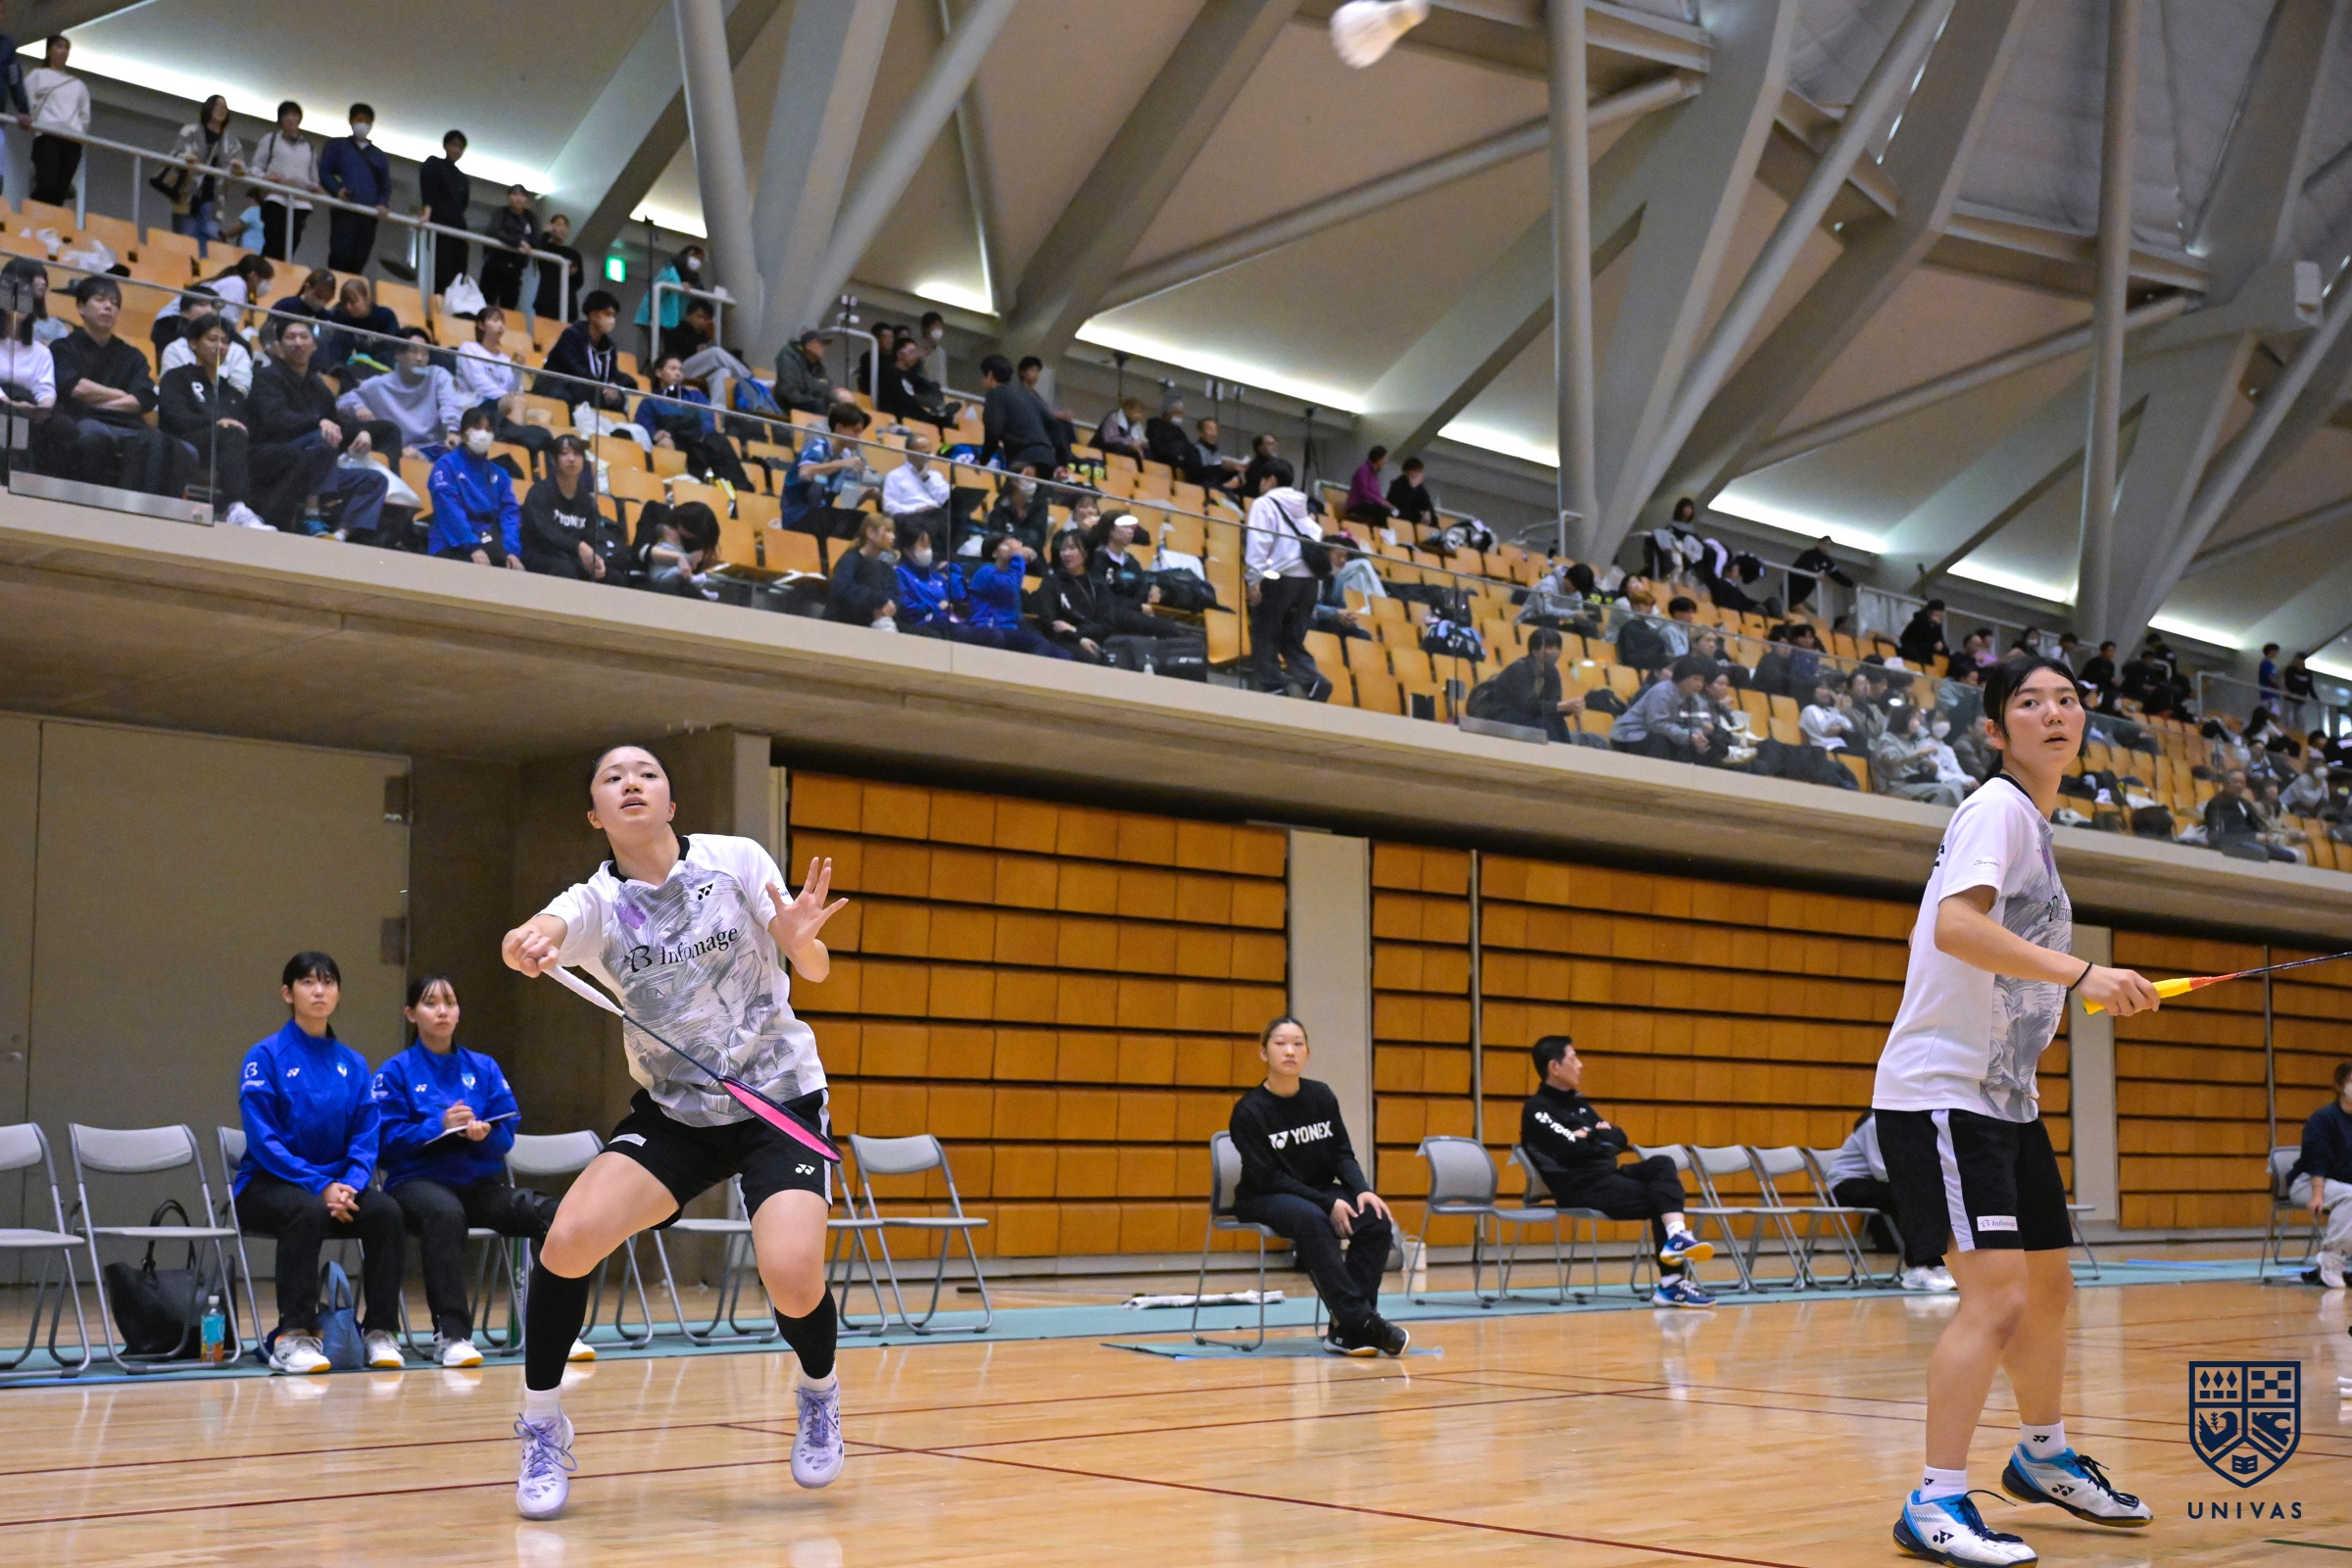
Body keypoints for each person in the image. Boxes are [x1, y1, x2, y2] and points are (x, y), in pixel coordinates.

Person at [499, 746, 852, 1515]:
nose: (631, 782)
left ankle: (819, 1390)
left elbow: (816, 969)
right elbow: (539, 930)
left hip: (777, 1100)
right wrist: (522, 942)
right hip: (678, 1114)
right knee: (567, 1238)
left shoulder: (736, 860)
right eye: (612, 778)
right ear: (595, 815)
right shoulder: (597, 903)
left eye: (647, 774)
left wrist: (799, 940)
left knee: (792, 1278)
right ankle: (542, 1424)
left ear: (671, 803)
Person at [1873, 654, 2159, 1562]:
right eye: (2030, 703)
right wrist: (2086, 974)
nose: (2054, 713)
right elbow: (1956, 926)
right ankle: (1934, 1501)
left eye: (2067, 700)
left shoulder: (2032, 823)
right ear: (1996, 731)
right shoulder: (1995, 808)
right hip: (1943, 1094)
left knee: (2047, 1290)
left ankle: (2041, 1455)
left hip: (2004, 1101)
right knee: (1996, 1300)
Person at [374, 974, 589, 1368]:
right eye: (430, 1003)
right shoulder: (395, 1071)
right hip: (416, 1183)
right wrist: (437, 1126)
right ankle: (453, 1336)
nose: (442, 1011)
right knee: (445, 1213)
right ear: (411, 1014)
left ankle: (556, 1329)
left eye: (450, 1002)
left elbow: (505, 1133)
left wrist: (483, 1136)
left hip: (477, 1183)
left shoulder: (483, 1067)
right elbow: (384, 1143)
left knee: (551, 1213)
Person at [232, 952, 407, 1375]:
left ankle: (380, 1332)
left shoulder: (353, 1063)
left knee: (386, 1211)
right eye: (308, 982)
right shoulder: (265, 1056)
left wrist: (349, 1185)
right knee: (306, 1210)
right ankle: (295, 1336)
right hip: (268, 1186)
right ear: (287, 993)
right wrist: (319, 1186)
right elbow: (264, 1141)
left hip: (337, 1188)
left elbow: (366, 1136)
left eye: (328, 982)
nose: (319, 991)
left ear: (338, 993)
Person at [1228, 1016, 1408, 1356]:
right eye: (1280, 1043)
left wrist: (1361, 1190)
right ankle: (1361, 1321)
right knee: (1312, 1219)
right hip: (1265, 1195)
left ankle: (1346, 1331)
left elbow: (1342, 1154)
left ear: (1307, 1053)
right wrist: (1328, 1204)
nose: (1290, 1051)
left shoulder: (1321, 1096)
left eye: (1298, 1044)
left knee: (1375, 1219)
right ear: (1263, 1053)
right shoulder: (1248, 1111)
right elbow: (1270, 1177)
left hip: (1317, 1191)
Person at [1518, 1034, 1715, 1305]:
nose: (1580, 1065)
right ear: (1555, 1067)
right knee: (1662, 1198)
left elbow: (1619, 1138)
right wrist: (1595, 1136)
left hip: (1607, 1176)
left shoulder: (1578, 1105)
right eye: (1573, 1058)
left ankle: (1676, 1236)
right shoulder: (1538, 1109)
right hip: (1579, 1186)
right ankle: (1672, 1283)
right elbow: (1570, 1149)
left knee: (1661, 1164)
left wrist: (1587, 1135)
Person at [245, 316, 390, 536]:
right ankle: (311, 515)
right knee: (323, 436)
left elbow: (337, 424)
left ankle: (339, 536)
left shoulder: (318, 386)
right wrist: (318, 423)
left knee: (374, 480)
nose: (298, 343)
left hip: (316, 463)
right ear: (280, 345)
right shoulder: (265, 377)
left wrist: (363, 431)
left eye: (304, 337)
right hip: (275, 457)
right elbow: (274, 419)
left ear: (314, 345)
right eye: (290, 337)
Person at [48, 275, 185, 498]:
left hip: (127, 424)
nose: (108, 307)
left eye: (114, 303)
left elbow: (143, 399)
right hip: (81, 418)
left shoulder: (132, 355)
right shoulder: (63, 347)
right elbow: (75, 388)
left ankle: (138, 509)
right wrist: (120, 395)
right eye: (100, 300)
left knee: (168, 446)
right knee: (94, 438)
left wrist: (98, 399)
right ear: (81, 307)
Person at [1822, 1110, 1953, 1291]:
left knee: (1926, 1195)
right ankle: (1917, 1270)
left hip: (1876, 1183)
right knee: (1912, 1198)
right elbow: (1882, 1171)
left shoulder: (1908, 1124)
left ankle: (1937, 1265)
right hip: (1847, 1184)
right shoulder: (1875, 1123)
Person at [158, 313, 265, 528]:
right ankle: (236, 507)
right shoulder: (177, 377)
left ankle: (269, 518)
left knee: (282, 455)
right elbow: (174, 416)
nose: (220, 346)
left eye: (225, 341)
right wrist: (215, 423)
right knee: (231, 434)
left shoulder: (231, 391)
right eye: (212, 339)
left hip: (228, 448)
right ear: (193, 343)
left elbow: (245, 427)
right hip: (186, 442)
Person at [1243, 460, 1331, 700]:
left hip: (1279, 578)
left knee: (1264, 635)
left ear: (1271, 480)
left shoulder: (1264, 504)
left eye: (1262, 480)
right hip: (1309, 584)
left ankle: (1273, 689)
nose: (1260, 485)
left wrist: (1253, 579)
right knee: (1292, 639)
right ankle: (1314, 681)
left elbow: (1259, 541)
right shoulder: (1303, 512)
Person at [1466, 627, 1604, 746]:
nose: (1554, 651)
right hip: (1502, 714)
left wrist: (1570, 708)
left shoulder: (1552, 673)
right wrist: (1562, 706)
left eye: (1557, 647)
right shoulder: (1518, 669)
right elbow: (1527, 705)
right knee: (1544, 726)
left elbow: (1552, 705)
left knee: (1558, 722)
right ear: (1534, 650)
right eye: (1549, 647)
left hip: (1527, 716)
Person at [341, 326, 464, 459]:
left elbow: (449, 403)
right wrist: (358, 406)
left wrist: (453, 430)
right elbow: (344, 401)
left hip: (435, 447)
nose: (420, 358)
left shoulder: (438, 375)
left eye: (425, 353)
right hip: (398, 451)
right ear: (398, 355)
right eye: (413, 351)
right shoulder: (381, 384)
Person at [428, 406, 522, 567]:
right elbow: (449, 510)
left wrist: (511, 551)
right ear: (463, 433)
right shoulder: (446, 466)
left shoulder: (500, 474)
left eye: (488, 429)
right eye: (477, 428)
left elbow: (509, 513)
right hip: (451, 544)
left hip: (489, 542)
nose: (483, 434)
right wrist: (473, 546)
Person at [638, 353, 749, 488]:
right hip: (675, 441)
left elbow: (707, 421)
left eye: (680, 370)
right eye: (673, 369)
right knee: (667, 443)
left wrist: (699, 435)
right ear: (659, 373)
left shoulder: (695, 396)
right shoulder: (650, 401)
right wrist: (656, 434)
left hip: (697, 440)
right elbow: (644, 425)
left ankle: (740, 490)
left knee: (717, 441)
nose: (678, 373)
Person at [520, 433, 620, 580]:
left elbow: (592, 534)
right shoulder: (539, 492)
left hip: (573, 558)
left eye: (577, 454)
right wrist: (578, 546)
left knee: (612, 577)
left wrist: (596, 557)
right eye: (564, 453)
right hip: (541, 554)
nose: (572, 459)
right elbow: (544, 533)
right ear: (554, 460)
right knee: (566, 570)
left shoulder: (586, 501)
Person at [541, 291, 642, 432]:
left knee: (618, 399)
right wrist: (602, 387)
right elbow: (575, 368)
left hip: (591, 392)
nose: (612, 320)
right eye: (608, 314)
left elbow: (613, 373)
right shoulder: (572, 336)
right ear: (593, 315)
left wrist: (613, 384)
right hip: (561, 387)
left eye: (614, 315)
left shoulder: (610, 346)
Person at [454, 308, 549, 458]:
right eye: (495, 320)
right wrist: (506, 396)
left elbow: (514, 389)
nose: (500, 325)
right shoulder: (469, 349)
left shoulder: (504, 359)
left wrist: (517, 370)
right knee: (516, 402)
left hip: (499, 405)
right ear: (481, 325)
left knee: (544, 414)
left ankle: (534, 457)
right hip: (476, 404)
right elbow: (478, 383)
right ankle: (517, 451)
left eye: (502, 322)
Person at [2290, 1062, 2352, 1289]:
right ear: (2339, 1086)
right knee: (2350, 1197)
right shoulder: (2323, 1118)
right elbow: (2317, 1159)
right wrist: (2317, 1194)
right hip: (2309, 1181)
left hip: (2342, 1184)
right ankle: (2331, 1260)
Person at [962, 533, 1071, 660]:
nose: (1013, 547)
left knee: (1061, 653)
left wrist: (1029, 558)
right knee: (1038, 644)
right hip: (989, 627)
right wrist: (1018, 557)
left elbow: (1043, 577)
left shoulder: (1011, 573)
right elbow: (1010, 586)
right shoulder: (985, 571)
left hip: (1011, 629)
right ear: (994, 553)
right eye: (1006, 544)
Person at [782, 402, 876, 537]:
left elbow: (847, 503)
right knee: (832, 520)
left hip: (823, 515)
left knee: (865, 521)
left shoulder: (847, 458)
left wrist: (866, 495)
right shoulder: (818, 445)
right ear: (839, 428)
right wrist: (840, 464)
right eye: (854, 431)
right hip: (797, 516)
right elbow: (804, 472)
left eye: (860, 432)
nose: (858, 438)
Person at [318, 103, 392, 273]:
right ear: (351, 121)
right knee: (340, 255)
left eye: (367, 121)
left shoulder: (379, 155)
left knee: (359, 259)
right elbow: (324, 171)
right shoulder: (337, 146)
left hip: (368, 215)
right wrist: (337, 190)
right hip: (345, 210)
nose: (363, 124)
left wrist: (383, 203)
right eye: (360, 119)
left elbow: (385, 186)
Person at [165, 94, 244, 249]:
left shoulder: (232, 142)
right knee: (185, 244)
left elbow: (239, 171)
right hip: (186, 196)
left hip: (213, 200)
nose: (221, 110)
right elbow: (175, 154)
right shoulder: (191, 131)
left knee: (208, 246)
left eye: (224, 107)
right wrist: (185, 158)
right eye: (217, 105)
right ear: (208, 108)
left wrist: (237, 169)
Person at [250, 100, 321, 263]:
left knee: (291, 246)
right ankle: (265, 272)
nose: (291, 118)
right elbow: (255, 167)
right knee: (273, 243)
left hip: (300, 204)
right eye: (286, 115)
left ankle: (282, 275)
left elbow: (313, 178)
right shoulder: (271, 140)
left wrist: (313, 187)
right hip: (275, 199)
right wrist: (265, 177)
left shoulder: (309, 148)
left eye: (295, 115)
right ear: (280, 119)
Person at [1611, 656, 1718, 763]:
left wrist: (1698, 734)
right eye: (1695, 679)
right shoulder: (1662, 692)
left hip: (1664, 734)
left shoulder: (1694, 698)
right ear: (1681, 677)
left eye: (1702, 681)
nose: (1699, 684)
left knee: (1706, 744)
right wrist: (1688, 736)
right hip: (1631, 735)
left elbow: (1695, 723)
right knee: (1660, 740)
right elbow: (1657, 725)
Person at [24, 36, 86, 206]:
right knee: (47, 184)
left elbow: (84, 115)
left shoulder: (78, 84)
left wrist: (78, 132)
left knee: (60, 190)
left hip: (72, 139)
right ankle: (35, 213)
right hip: (47, 135)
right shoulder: (38, 75)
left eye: (66, 48)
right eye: (59, 46)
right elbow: (27, 101)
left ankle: (51, 219)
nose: (63, 51)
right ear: (49, 51)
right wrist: (36, 122)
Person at [1874, 703, 1966, 808]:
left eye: (1918, 719)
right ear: (1903, 719)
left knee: (1956, 787)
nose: (1917, 722)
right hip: (1896, 785)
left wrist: (1928, 764)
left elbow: (1915, 762)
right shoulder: (1887, 739)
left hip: (1914, 782)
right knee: (1945, 791)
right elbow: (1894, 759)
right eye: (1914, 718)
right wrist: (1920, 752)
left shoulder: (1911, 741)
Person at [880, 428, 952, 559]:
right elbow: (889, 506)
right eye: (922, 453)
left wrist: (927, 478)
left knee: (954, 517)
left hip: (936, 514)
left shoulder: (935, 476)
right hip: (911, 517)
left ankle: (948, 558)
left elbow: (946, 498)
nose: (926, 457)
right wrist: (915, 510)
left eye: (929, 453)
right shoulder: (895, 475)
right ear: (909, 453)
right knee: (927, 523)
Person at [315, 275, 402, 381]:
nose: (348, 307)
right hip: (351, 370)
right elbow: (335, 346)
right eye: (345, 303)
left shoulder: (385, 316)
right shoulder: (342, 314)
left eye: (353, 302)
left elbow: (392, 349)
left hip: (379, 371)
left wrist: (367, 363)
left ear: (366, 299)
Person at [979, 353, 1055, 473]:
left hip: (1025, 458)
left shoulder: (995, 394)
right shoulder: (1024, 395)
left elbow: (993, 432)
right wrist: (1061, 458)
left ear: (990, 375)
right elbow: (1052, 421)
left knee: (1013, 486)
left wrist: (983, 460)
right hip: (1047, 459)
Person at [418, 130, 472, 297]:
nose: (457, 150)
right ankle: (438, 304)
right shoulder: (434, 163)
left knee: (458, 277)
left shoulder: (463, 179)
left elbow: (462, 205)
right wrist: (427, 212)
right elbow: (429, 190)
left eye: (460, 147)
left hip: (458, 231)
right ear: (446, 146)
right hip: (440, 227)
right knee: (441, 273)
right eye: (454, 145)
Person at [824, 510, 899, 627]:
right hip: (845, 620)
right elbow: (841, 586)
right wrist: (879, 601)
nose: (893, 537)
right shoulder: (850, 559)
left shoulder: (886, 567)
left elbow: (896, 594)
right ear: (870, 533)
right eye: (888, 531)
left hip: (873, 619)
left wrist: (891, 605)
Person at [634, 498, 718, 598]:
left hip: (681, 585)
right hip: (647, 579)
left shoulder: (700, 537)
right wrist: (679, 557)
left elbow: (692, 570)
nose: (688, 537)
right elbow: (640, 551)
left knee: (690, 592)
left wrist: (694, 561)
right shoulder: (656, 511)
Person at [876, 334, 956, 429]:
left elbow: (930, 387)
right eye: (912, 352)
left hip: (914, 414)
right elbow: (900, 399)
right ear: (899, 354)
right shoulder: (889, 374)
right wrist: (918, 402)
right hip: (897, 414)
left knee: (946, 420)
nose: (915, 356)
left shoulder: (913, 377)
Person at [480, 184, 536, 311]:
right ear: (508, 196)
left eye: (522, 195)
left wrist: (517, 239)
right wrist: (518, 241)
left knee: (508, 309)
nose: (518, 198)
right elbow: (493, 231)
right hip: (494, 264)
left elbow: (535, 239)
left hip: (515, 270)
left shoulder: (530, 217)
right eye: (515, 194)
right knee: (486, 304)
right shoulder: (501, 212)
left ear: (526, 199)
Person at [774, 327, 848, 416]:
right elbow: (790, 392)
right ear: (809, 344)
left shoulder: (816, 365)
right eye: (821, 343)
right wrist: (816, 385)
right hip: (788, 406)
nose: (823, 348)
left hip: (808, 403)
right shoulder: (789, 357)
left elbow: (827, 386)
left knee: (842, 409)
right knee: (820, 406)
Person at [533, 214, 586, 321]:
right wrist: (546, 233)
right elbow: (537, 253)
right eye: (558, 225)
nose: (562, 229)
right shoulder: (547, 248)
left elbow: (579, 281)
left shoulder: (574, 254)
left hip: (568, 304)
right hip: (546, 301)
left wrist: (572, 274)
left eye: (565, 226)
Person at [1788, 534, 1853, 611]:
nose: (1827, 547)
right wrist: (1814, 573)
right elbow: (1805, 567)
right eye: (1826, 544)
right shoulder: (1809, 554)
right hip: (1793, 586)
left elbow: (1837, 576)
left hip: (1802, 592)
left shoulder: (1827, 561)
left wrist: (1853, 585)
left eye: (1830, 546)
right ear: (1819, 544)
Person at [1344, 446, 1392, 523]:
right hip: (1357, 505)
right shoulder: (1364, 470)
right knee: (1383, 511)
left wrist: (1386, 503)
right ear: (1378, 459)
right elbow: (1364, 492)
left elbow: (1376, 494)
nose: (1386, 462)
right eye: (1385, 459)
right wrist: (1380, 501)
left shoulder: (1375, 474)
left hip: (1368, 505)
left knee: (1391, 512)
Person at [1386, 456, 1436, 530]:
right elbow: (1404, 505)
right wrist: (1412, 488)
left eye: (1419, 471)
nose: (1417, 474)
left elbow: (1426, 500)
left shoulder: (1418, 486)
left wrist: (1427, 511)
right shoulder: (1398, 484)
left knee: (1433, 519)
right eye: (1415, 471)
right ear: (1407, 471)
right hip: (1399, 515)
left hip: (1414, 517)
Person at [1899, 600, 1950, 669]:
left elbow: (1939, 640)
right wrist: (1934, 626)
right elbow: (1918, 638)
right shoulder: (1919, 621)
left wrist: (1941, 645)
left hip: (1927, 654)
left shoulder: (1936, 625)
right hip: (1914, 651)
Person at [1094, 395, 1146, 461]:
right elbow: (1109, 439)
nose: (1139, 415)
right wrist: (1130, 444)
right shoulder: (1114, 418)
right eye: (1137, 411)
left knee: (1144, 452)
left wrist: (1140, 445)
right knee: (1119, 447)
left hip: (1123, 450)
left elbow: (1142, 440)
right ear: (1128, 409)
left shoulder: (1135, 425)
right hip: (1103, 449)